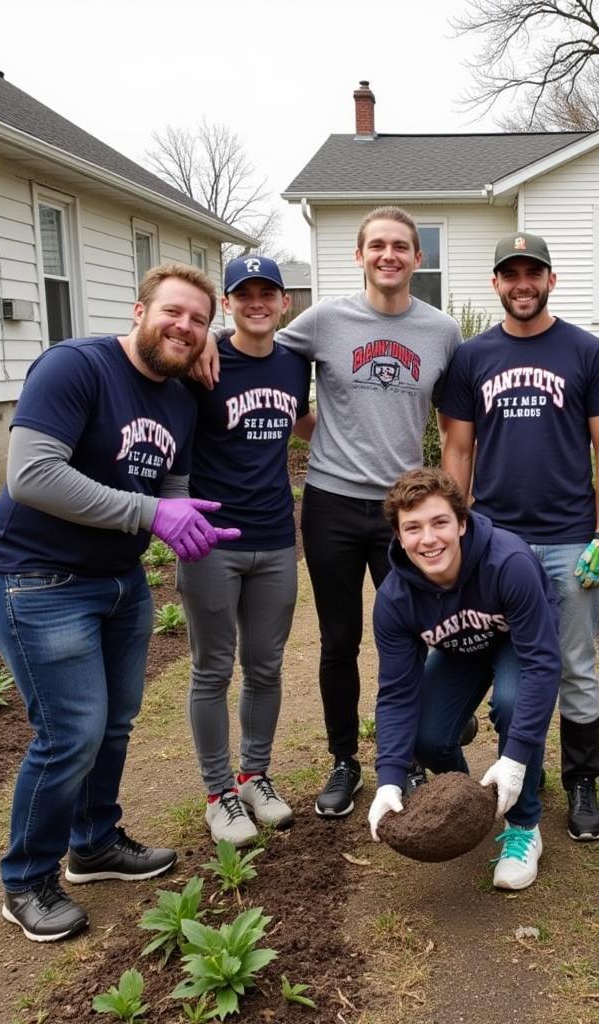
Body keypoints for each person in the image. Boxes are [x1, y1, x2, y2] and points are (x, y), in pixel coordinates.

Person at [0, 263, 238, 942]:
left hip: (118, 583)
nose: (184, 327)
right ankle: (26, 880)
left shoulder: (179, 399)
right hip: (36, 579)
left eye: (198, 320)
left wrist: (190, 525)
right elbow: (32, 475)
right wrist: (152, 514)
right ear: (138, 310)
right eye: (172, 313)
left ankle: (93, 843)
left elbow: (172, 495)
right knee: (71, 732)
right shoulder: (76, 367)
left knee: (116, 722)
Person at [193, 207, 463, 818]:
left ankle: (410, 757)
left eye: (401, 246)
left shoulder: (442, 332)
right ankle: (345, 760)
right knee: (339, 640)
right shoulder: (323, 321)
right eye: (377, 246)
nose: (388, 256)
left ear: (417, 259)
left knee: (418, 633)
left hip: (406, 511)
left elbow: (455, 425)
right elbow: (256, 347)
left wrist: (447, 495)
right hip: (332, 504)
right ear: (359, 256)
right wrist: (205, 347)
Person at [440, 232, 599, 842]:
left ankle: (581, 781)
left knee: (574, 663)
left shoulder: (585, 351)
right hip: (496, 543)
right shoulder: (472, 358)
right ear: (496, 283)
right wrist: (457, 528)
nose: (523, 284)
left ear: (551, 280)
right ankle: (523, 768)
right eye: (510, 274)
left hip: (573, 539)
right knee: (504, 662)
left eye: (533, 273)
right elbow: (458, 449)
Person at [367, 469, 561, 889]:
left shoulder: (509, 562)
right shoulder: (394, 600)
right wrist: (388, 779)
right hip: (459, 647)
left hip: (517, 642)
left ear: (461, 523)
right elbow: (398, 693)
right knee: (428, 736)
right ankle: (478, 800)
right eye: (413, 528)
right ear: (399, 538)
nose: (429, 539)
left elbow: (543, 665)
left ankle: (524, 823)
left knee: (512, 703)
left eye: (439, 522)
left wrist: (513, 759)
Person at [178, 256, 311, 846]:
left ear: (285, 303)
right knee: (212, 668)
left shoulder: (293, 362)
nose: (257, 302)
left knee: (265, 665)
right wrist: (201, 336)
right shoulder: (201, 362)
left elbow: (304, 420)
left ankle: (255, 775)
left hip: (278, 538)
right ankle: (218, 794)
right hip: (210, 540)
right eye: (244, 293)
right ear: (227, 303)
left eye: (269, 293)